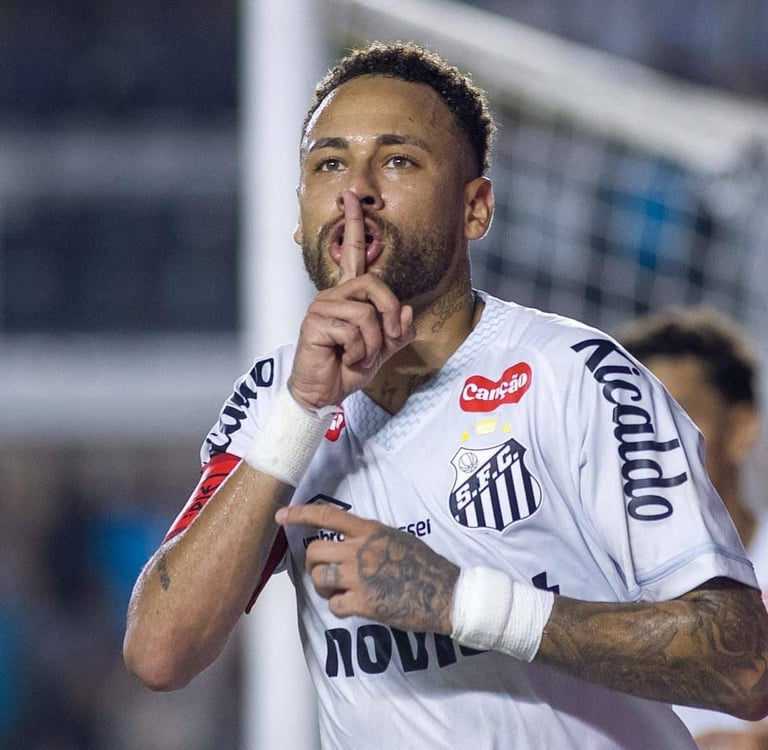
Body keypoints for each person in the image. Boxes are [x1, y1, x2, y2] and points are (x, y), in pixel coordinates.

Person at [123, 42, 768, 749]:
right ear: (300, 217)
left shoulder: (576, 376)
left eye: (398, 160)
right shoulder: (274, 402)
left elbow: (745, 666)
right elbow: (159, 653)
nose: (356, 192)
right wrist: (303, 413)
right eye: (329, 163)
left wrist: (466, 604)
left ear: (476, 209)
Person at [620, 306, 768, 750]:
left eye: (676, 418)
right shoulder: (593, 585)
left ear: (740, 430)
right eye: (632, 424)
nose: (648, 445)